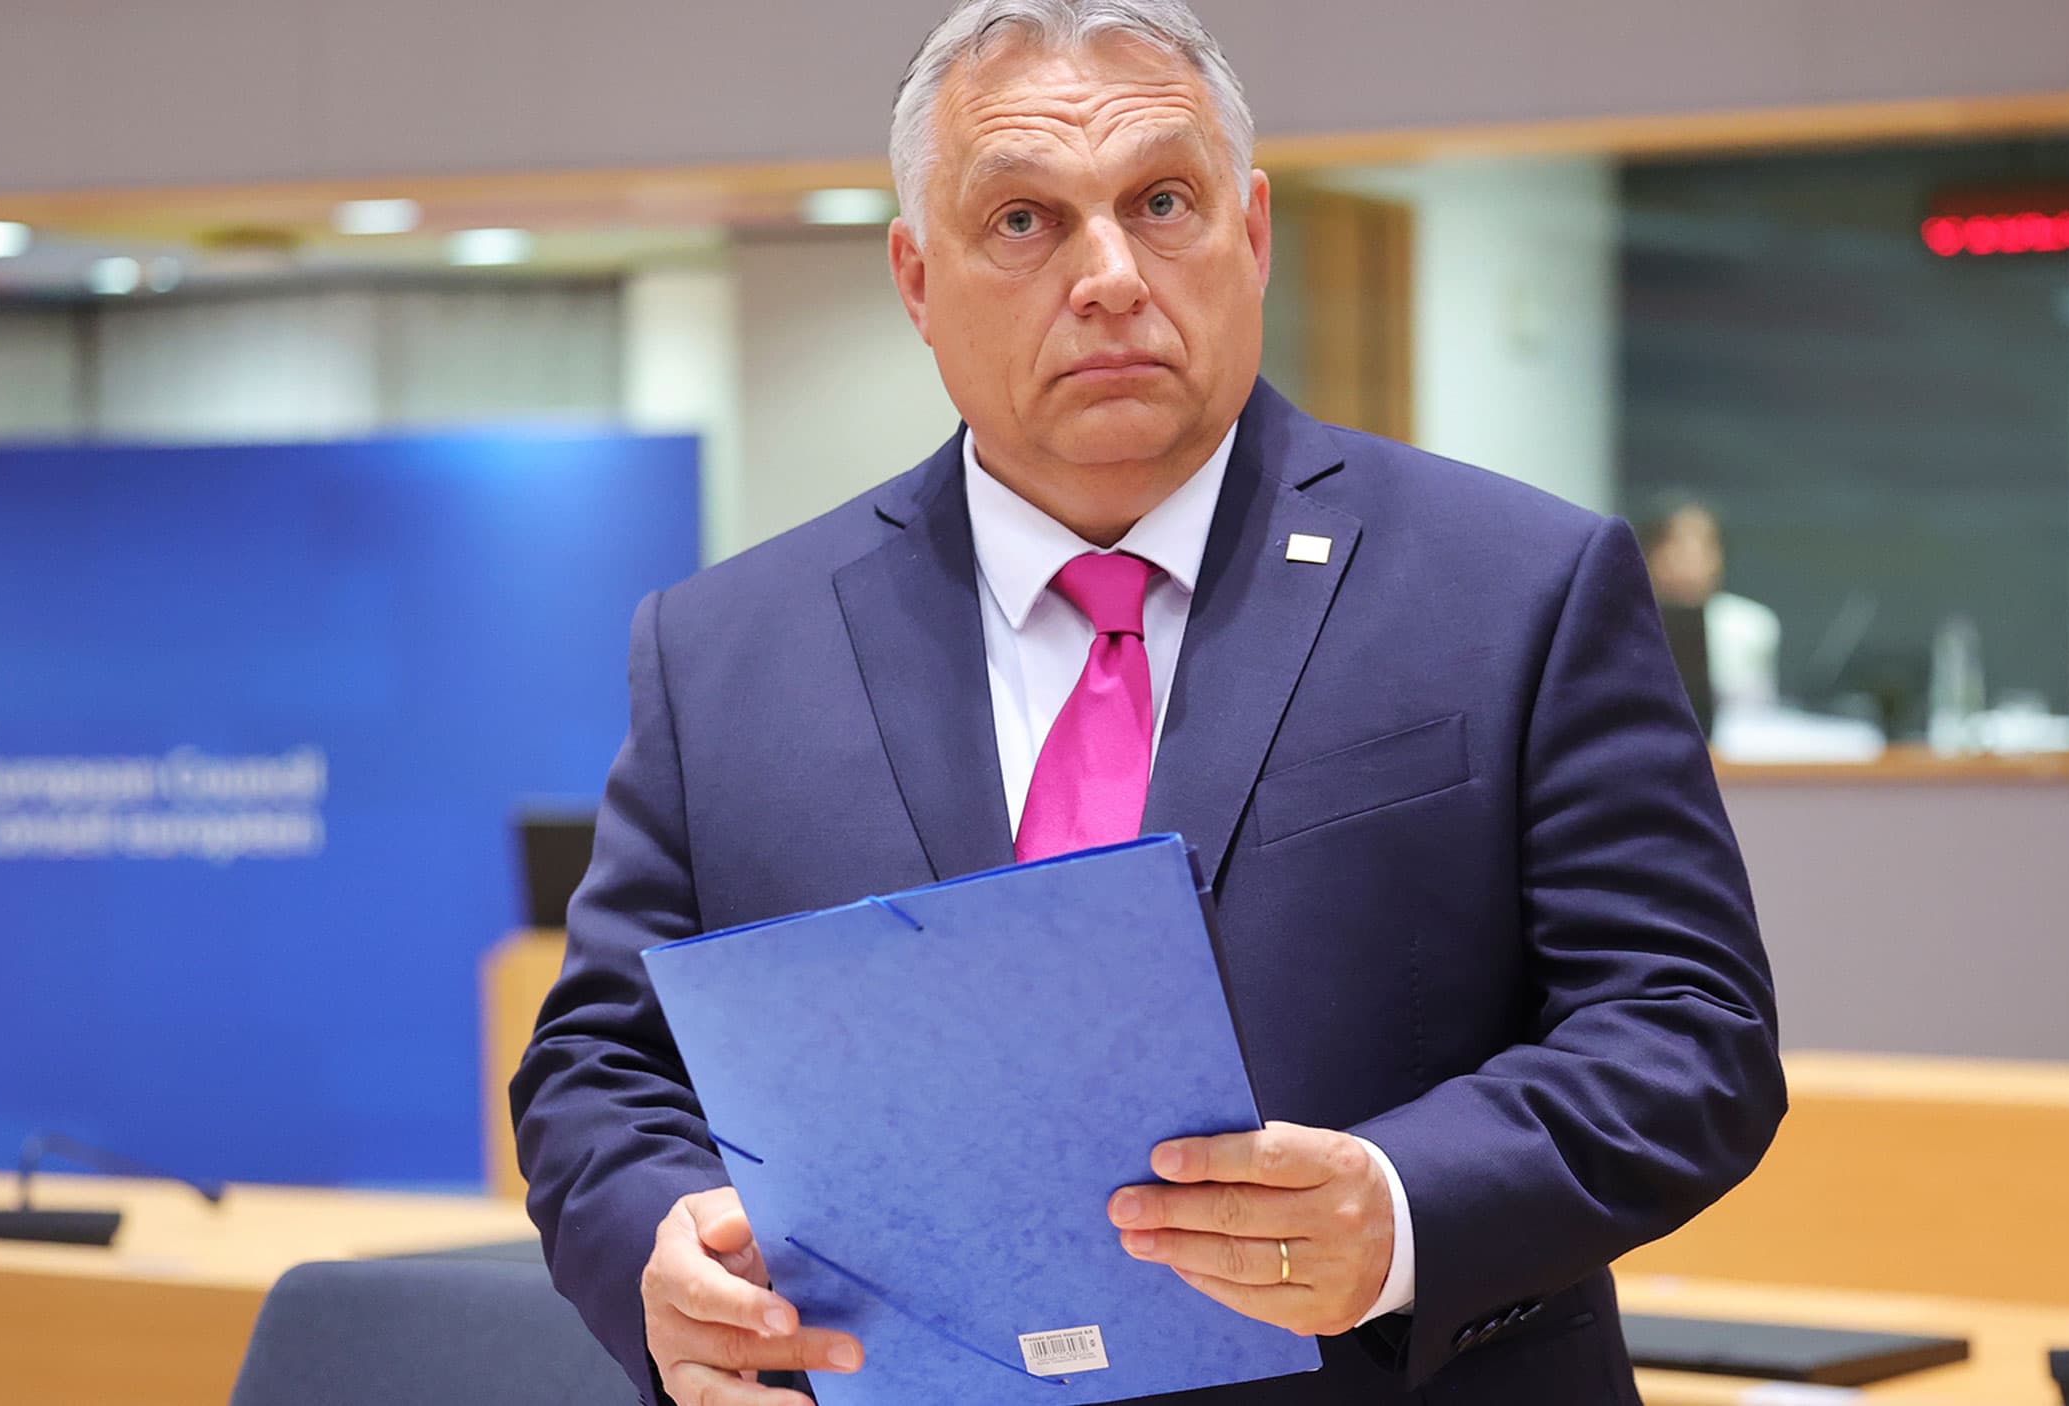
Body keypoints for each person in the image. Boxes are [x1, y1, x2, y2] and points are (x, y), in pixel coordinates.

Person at [510, 3, 1784, 1402]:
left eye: (1161, 201)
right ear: (917, 278)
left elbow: (1685, 1026)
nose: (1110, 274)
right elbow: (601, 1066)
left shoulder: (1517, 587)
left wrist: (1404, 1205)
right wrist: (657, 1246)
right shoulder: (727, 652)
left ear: (1250, 232)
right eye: (1023, 221)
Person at [1634, 493, 1782, 734]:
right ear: (1648, 553)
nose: (1689, 560)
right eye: (1675, 546)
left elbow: (1760, 715)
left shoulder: (1751, 626)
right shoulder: (1624, 624)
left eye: (1703, 547)